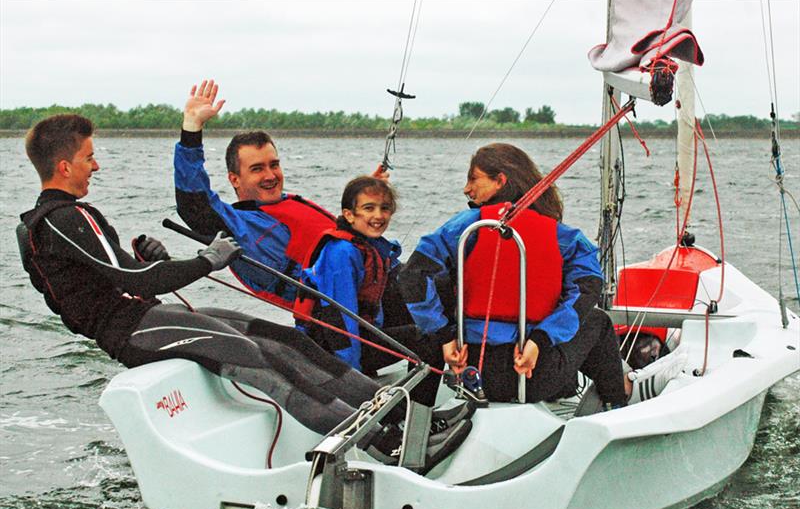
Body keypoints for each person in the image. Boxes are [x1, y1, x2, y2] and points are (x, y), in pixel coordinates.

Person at [18, 114, 470, 473]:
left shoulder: (70, 217)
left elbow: (121, 271)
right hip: (131, 328)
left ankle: (407, 416)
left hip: (146, 315)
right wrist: (205, 261)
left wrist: (144, 253)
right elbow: (134, 282)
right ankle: (387, 443)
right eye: (89, 157)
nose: (95, 165)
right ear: (64, 166)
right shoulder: (62, 218)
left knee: (285, 340)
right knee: (257, 357)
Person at [398, 143, 686, 409]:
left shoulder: (466, 228)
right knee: (597, 321)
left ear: (500, 181)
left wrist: (445, 338)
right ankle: (619, 398)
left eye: (474, 179)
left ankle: (413, 415)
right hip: (532, 372)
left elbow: (412, 276)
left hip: (471, 374)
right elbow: (588, 287)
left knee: (434, 306)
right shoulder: (564, 237)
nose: (466, 189)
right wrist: (539, 341)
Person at [173, 79, 388, 309]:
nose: (270, 175)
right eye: (257, 169)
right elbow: (193, 204)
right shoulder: (240, 228)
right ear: (234, 179)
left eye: (273, 165)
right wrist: (192, 129)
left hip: (381, 280)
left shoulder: (284, 205)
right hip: (352, 308)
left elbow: (338, 238)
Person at [295, 176, 447, 407]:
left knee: (437, 298)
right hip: (331, 351)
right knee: (428, 338)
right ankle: (415, 414)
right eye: (369, 208)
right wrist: (352, 378)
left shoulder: (369, 245)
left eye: (384, 208)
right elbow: (340, 321)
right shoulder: (341, 253)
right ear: (349, 215)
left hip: (365, 332)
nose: (378, 216)